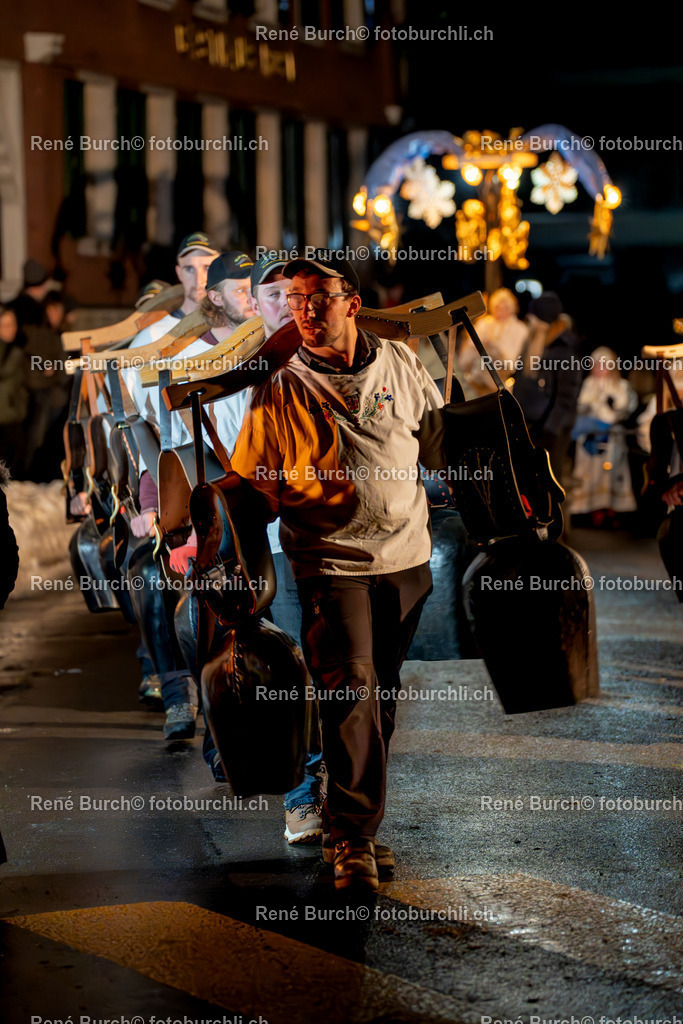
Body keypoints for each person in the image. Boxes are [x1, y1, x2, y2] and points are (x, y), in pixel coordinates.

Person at [230, 250, 446, 891]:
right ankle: (353, 838)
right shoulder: (281, 384)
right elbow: (255, 483)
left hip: (406, 558)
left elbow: (435, 442)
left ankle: (346, 815)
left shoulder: (401, 364)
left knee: (377, 695)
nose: (304, 309)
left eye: (317, 296)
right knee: (350, 688)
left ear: (351, 304)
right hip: (329, 563)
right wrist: (210, 517)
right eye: (294, 299)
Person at [513, 291, 583, 484]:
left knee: (550, 480)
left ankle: (555, 514)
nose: (529, 319)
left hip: (551, 430)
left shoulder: (564, 351)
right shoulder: (534, 344)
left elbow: (566, 396)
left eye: (533, 315)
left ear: (542, 319)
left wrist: (551, 430)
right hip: (532, 424)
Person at [570, 347, 638, 525]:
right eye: (596, 364)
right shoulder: (588, 384)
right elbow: (581, 405)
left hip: (610, 436)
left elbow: (624, 408)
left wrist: (611, 408)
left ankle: (611, 508)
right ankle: (591, 509)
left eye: (604, 365)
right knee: (589, 473)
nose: (600, 368)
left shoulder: (620, 385)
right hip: (590, 436)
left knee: (610, 471)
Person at [457, 287, 528, 399]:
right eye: (497, 307)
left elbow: (511, 362)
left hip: (500, 382)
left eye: (505, 308)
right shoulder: (483, 324)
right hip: (474, 383)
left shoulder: (519, 329)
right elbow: (465, 357)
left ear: (512, 308)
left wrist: (494, 348)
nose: (500, 311)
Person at [0, 306, 30, 477]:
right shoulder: (9, 348)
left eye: (12, 325)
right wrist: (18, 350)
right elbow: (4, 372)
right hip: (4, 412)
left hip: (12, 410)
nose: (10, 329)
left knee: (16, 449)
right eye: (5, 325)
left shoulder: (12, 347)